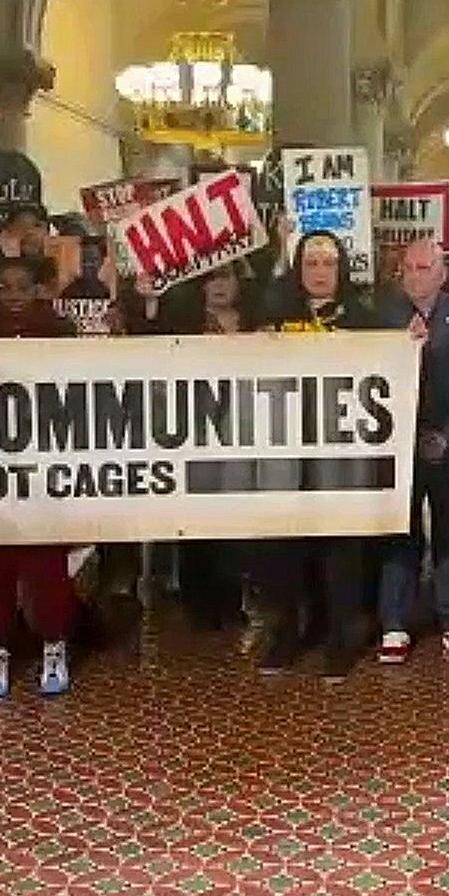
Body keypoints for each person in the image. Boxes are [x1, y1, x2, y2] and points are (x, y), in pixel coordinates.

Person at [256, 230, 381, 682]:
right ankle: (288, 633)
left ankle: (340, 639)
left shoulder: (364, 317)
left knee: (341, 547)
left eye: (329, 264)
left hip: (343, 451)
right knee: (286, 545)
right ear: (298, 270)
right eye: (311, 263)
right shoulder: (275, 316)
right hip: (287, 449)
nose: (320, 273)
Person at [0, 256, 79, 698]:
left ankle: (54, 647)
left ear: (37, 291)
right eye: (4, 289)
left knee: (48, 563)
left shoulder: (61, 331)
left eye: (21, 288)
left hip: (46, 465)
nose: (12, 298)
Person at [374, 239, 449, 664]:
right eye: (410, 268)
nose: (417, 275)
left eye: (426, 268)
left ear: (443, 273)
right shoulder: (384, 316)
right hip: (398, 443)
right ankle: (395, 622)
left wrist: (448, 436)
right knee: (398, 532)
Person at [164, 261, 256, 630]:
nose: (218, 285)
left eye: (226, 276)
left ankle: (231, 599)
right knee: (196, 519)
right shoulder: (181, 324)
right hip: (193, 432)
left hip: (242, 431)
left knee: (232, 521)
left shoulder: (255, 324)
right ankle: (198, 601)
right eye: (211, 277)